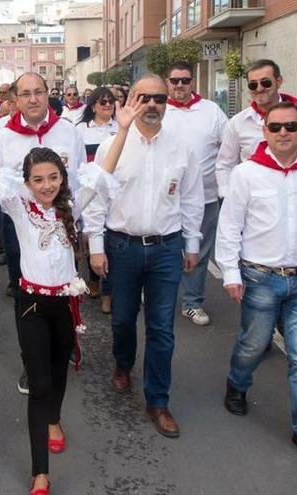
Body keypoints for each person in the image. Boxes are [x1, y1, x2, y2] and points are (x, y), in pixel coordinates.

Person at [215, 101, 297, 468]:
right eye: (276, 127)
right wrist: (231, 273)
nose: (283, 133)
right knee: (252, 345)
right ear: (265, 132)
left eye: (291, 126)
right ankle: (237, 384)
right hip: (260, 278)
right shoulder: (246, 174)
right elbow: (230, 227)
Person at [0, 136, 102, 495]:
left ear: (63, 177)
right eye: (38, 180)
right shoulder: (18, 206)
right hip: (30, 305)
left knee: (60, 372)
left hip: (64, 304)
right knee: (39, 383)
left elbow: (103, 172)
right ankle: (40, 473)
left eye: (54, 178)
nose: (47, 186)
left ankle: (54, 420)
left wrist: (122, 129)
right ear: (27, 183)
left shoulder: (71, 208)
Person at [84, 74, 204, 438]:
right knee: (121, 319)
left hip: (167, 248)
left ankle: (158, 400)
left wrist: (193, 243)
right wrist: (95, 247)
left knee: (161, 327)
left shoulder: (183, 146)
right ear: (129, 101)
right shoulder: (111, 146)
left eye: (159, 99)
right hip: (122, 247)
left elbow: (192, 197)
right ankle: (123, 363)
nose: (152, 105)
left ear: (167, 104)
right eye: (143, 98)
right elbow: (95, 199)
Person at [0, 72, 86, 395]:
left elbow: (78, 182)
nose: (33, 99)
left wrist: (86, 231)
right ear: (16, 99)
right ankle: (32, 360)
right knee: (25, 296)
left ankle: (63, 344)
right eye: (26, 94)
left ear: (47, 94)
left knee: (64, 286)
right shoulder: (3, 136)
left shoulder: (68, 132)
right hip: (19, 225)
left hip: (63, 221)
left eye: (39, 92)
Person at [161, 61, 228, 327]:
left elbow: (230, 147)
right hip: (165, 198)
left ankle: (192, 303)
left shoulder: (212, 111)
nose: (180, 85)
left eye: (185, 80)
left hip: (205, 198)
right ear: (167, 82)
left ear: (192, 82)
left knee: (197, 252)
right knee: (161, 251)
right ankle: (158, 296)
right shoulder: (158, 110)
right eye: (175, 80)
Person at [215, 59, 297, 198]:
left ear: (278, 81)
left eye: (266, 82)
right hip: (254, 200)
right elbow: (225, 164)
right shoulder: (237, 123)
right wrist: (227, 196)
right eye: (253, 85)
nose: (259, 88)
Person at [75, 86, 118, 311]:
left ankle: (108, 293)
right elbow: (77, 162)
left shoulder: (120, 129)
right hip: (89, 190)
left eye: (111, 101)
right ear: (93, 106)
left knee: (109, 238)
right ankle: (93, 278)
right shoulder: (81, 130)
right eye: (103, 102)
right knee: (91, 235)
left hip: (112, 192)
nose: (108, 105)